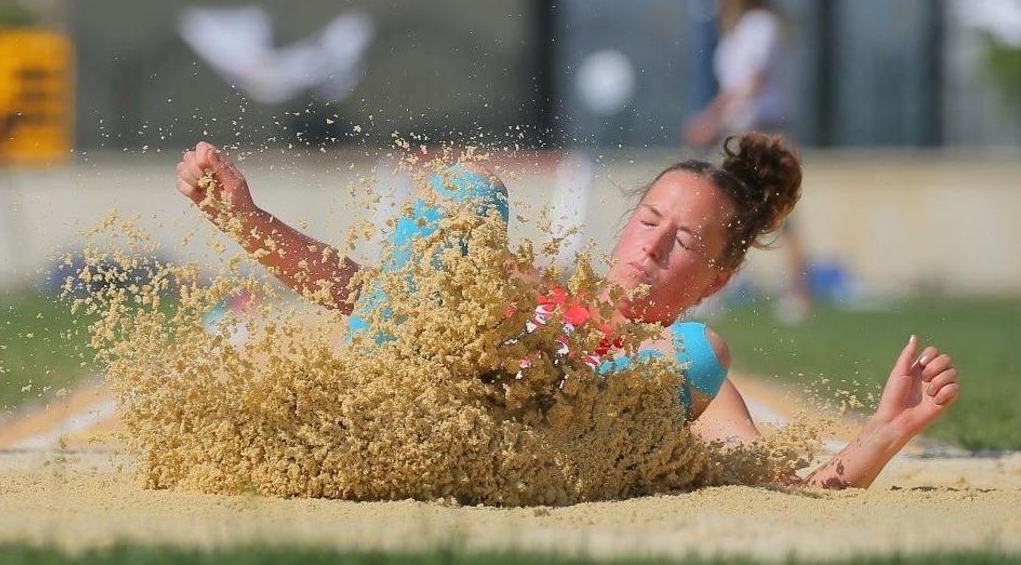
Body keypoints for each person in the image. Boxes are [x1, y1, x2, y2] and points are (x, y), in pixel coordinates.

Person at [174, 134, 959, 489]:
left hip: (527, 460)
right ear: (625, 225)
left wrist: (883, 433)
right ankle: (385, 417)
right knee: (469, 190)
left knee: (700, 350)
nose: (653, 246)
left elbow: (775, 480)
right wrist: (246, 216)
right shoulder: (519, 286)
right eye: (649, 221)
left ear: (716, 276)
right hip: (411, 410)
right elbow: (365, 293)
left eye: (683, 240)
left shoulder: (684, 362)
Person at [684, 0, 811, 321]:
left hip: (764, 129)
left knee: (780, 212)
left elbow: (752, 82)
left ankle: (799, 291)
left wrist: (710, 117)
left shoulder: (761, 26)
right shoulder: (735, 32)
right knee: (725, 209)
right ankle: (718, 286)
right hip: (737, 130)